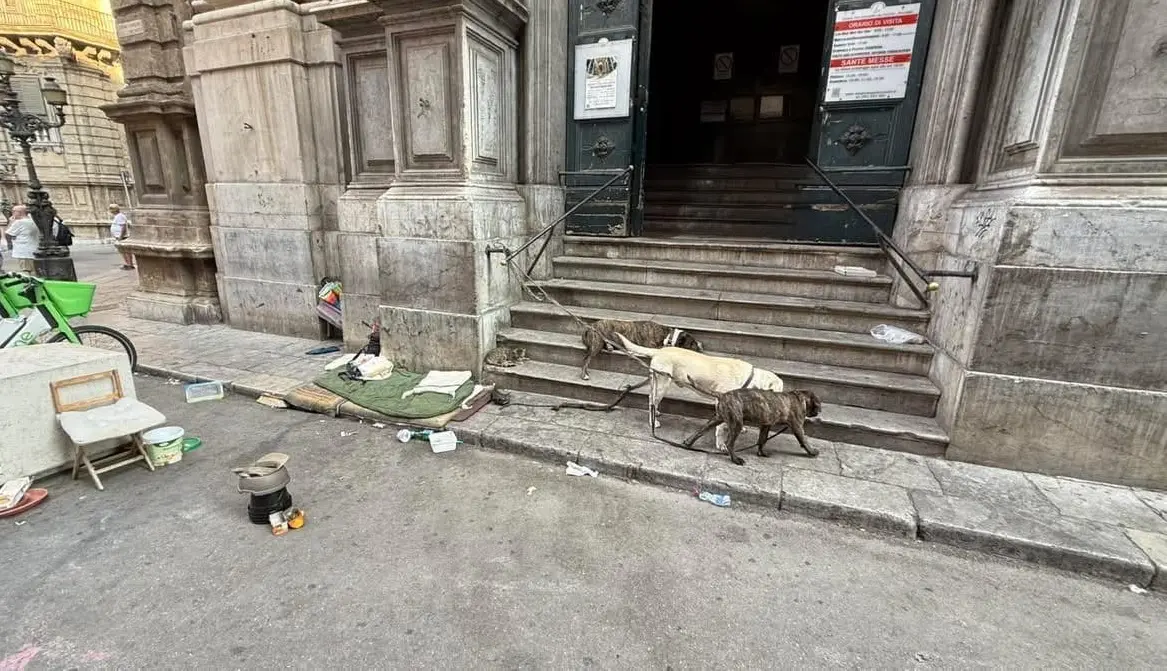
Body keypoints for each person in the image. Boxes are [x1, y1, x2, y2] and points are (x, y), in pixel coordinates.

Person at [4, 204, 40, 274]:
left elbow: (7, 233)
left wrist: (11, 222)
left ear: (20, 212)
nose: (12, 213)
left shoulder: (19, 222)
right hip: (33, 250)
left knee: (26, 271)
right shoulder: (32, 221)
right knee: (34, 270)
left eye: (14, 211)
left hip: (23, 252)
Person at [109, 204, 134, 270]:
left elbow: (123, 227)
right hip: (120, 236)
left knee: (125, 251)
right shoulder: (118, 216)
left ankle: (129, 264)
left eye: (111, 209)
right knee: (123, 251)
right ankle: (128, 263)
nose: (110, 211)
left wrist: (120, 236)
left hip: (122, 237)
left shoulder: (120, 216)